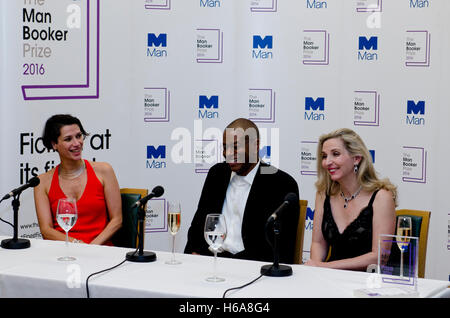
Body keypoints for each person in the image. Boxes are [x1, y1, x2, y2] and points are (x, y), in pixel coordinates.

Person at [184, 118, 300, 264]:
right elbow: (198, 225)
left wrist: (232, 265)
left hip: (252, 268)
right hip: (210, 262)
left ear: (255, 145)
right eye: (225, 147)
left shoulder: (281, 184)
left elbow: (278, 246)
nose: (228, 153)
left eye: (235, 147)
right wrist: (192, 257)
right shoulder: (217, 174)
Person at [305, 128, 397, 271]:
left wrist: (324, 266)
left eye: (335, 154)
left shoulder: (382, 197)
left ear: (356, 158)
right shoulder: (323, 194)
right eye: (324, 156)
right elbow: (318, 243)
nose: (327, 162)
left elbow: (379, 257)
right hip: (330, 280)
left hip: (369, 284)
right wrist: (317, 271)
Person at [33, 114, 122, 245]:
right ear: (54, 144)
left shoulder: (104, 170)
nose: (77, 143)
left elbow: (117, 220)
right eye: (68, 139)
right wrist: (77, 245)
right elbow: (46, 230)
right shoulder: (42, 182)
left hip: (101, 251)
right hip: (64, 254)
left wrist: (91, 247)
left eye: (79, 136)